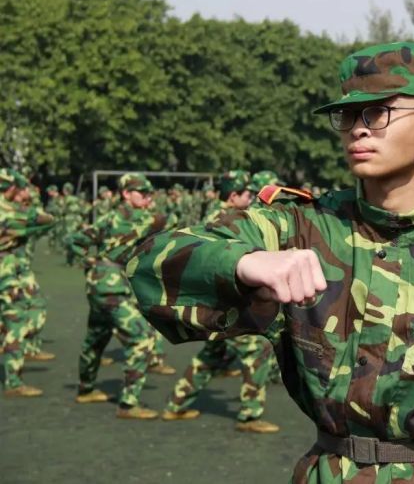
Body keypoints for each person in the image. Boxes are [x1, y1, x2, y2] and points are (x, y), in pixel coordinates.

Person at [128, 41, 414, 483]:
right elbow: (150, 263)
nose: (358, 129)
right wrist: (245, 263)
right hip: (331, 468)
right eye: (348, 115)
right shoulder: (300, 229)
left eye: (378, 113)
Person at [161, 170, 280, 433]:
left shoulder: (218, 215)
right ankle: (250, 416)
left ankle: (177, 403)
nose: (250, 198)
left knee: (212, 355)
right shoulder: (226, 219)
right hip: (228, 304)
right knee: (257, 350)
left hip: (218, 305)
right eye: (247, 194)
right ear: (234, 195)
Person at [67, 173, 176, 419]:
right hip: (113, 287)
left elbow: (76, 240)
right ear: (126, 194)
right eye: (143, 193)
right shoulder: (141, 217)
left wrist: (90, 262)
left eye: (150, 194)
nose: (148, 198)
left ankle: (86, 389)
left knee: (96, 337)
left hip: (99, 284)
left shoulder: (109, 217)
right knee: (142, 337)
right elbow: (168, 220)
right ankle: (128, 404)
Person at [1, 169, 55, 397]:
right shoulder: (10, 212)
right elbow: (48, 220)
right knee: (18, 322)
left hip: (11, 269)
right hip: (5, 274)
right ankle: (13, 382)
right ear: (13, 188)